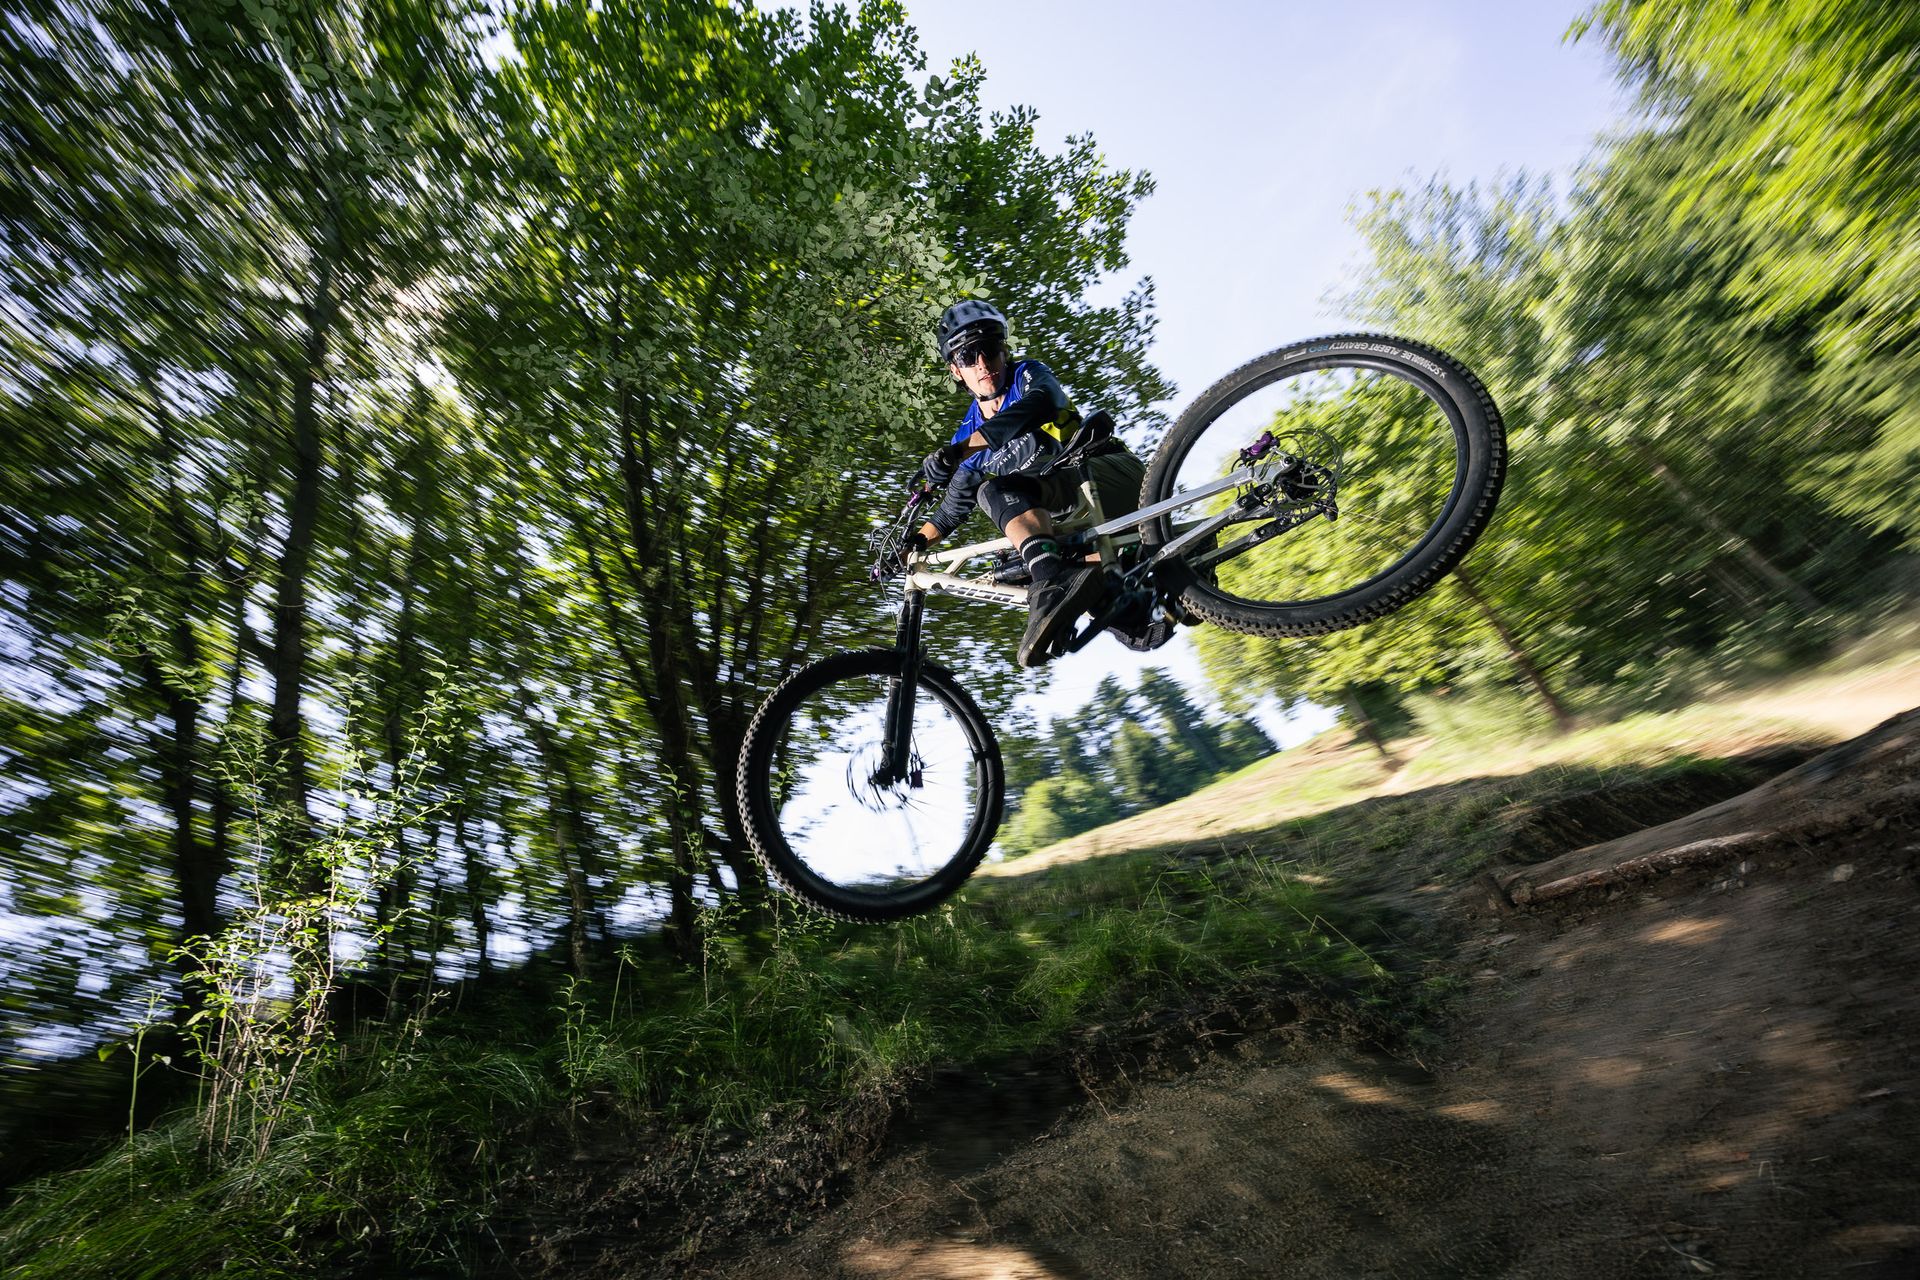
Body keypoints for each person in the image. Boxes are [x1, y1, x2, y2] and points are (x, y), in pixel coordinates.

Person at [903, 299, 1172, 667]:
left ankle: (1052, 583)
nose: (982, 363)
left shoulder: (1027, 374)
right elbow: (952, 510)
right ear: (955, 371)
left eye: (990, 349)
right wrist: (911, 546)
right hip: (1076, 511)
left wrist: (958, 451)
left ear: (1004, 350)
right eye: (968, 356)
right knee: (1028, 563)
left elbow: (1037, 406)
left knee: (998, 493)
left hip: (1111, 477)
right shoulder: (968, 437)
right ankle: (1157, 602)